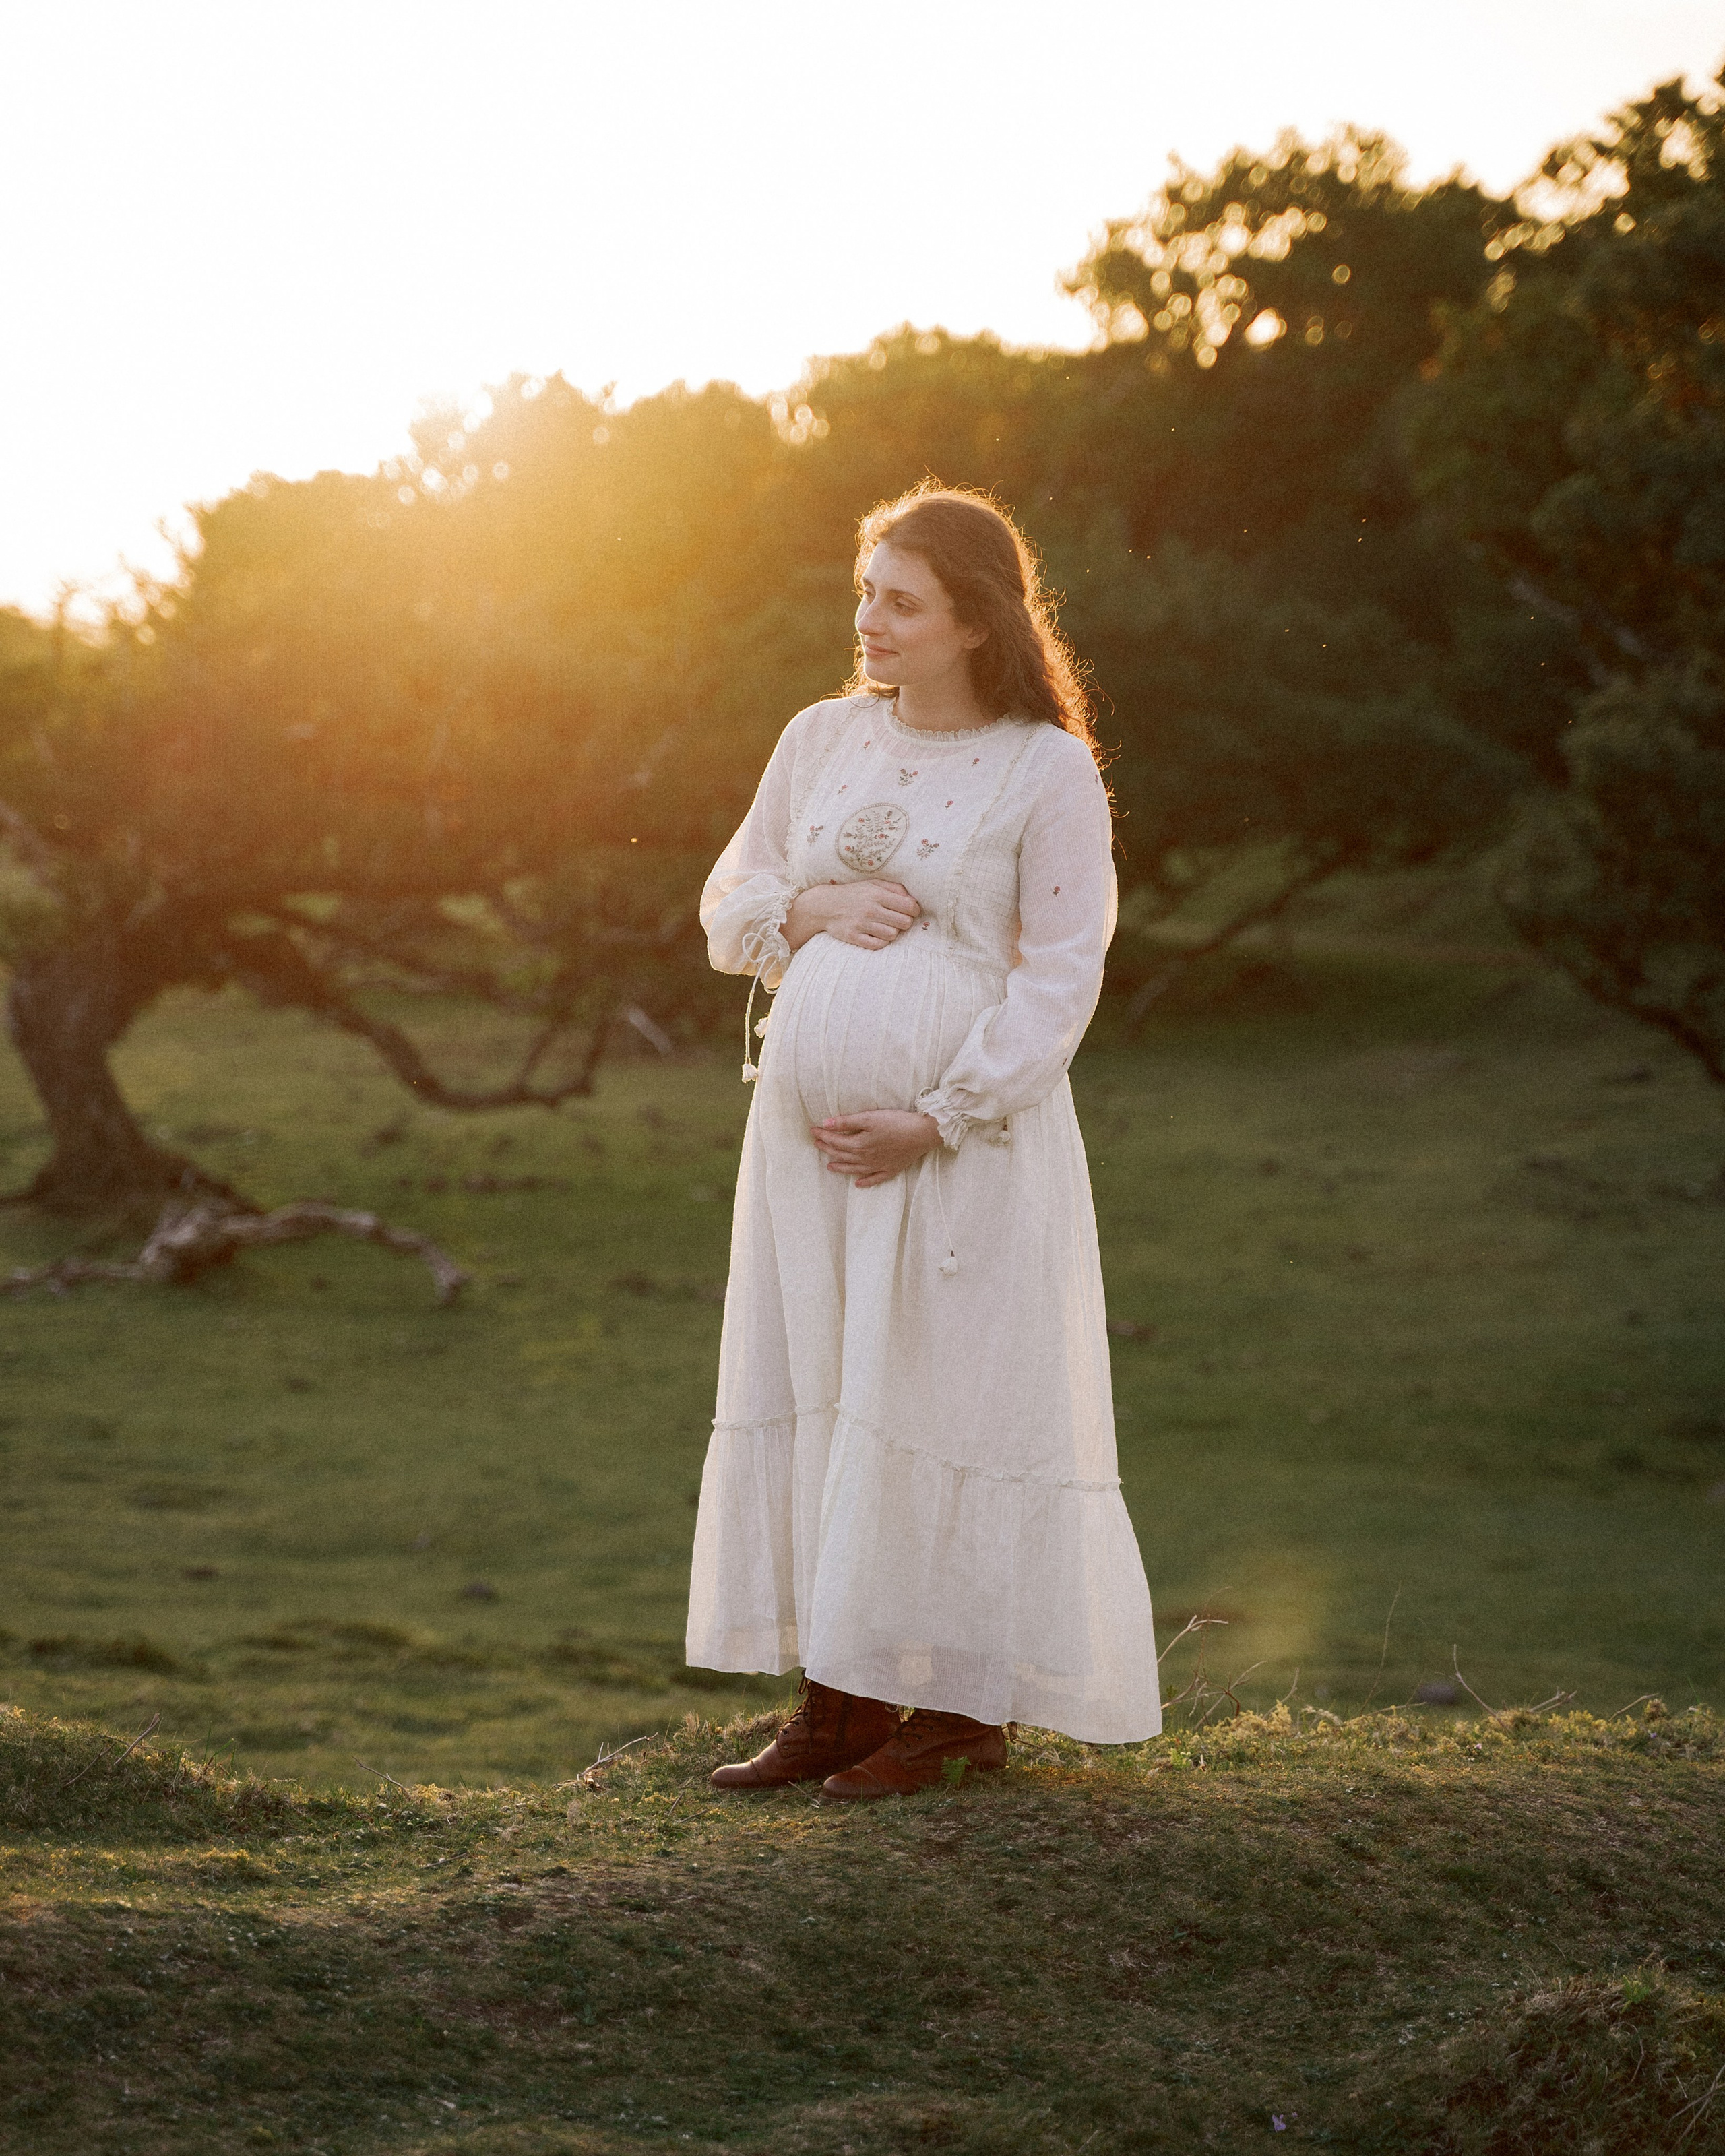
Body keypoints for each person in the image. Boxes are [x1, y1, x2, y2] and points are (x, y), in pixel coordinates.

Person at [687, 484, 1159, 1800]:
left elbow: (1060, 975)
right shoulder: (821, 737)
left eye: (901, 602)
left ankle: (958, 1714)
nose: (869, 622)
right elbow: (728, 905)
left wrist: (936, 1116)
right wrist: (813, 906)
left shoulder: (1044, 768)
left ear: (975, 621)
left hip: (961, 1148)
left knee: (943, 1397)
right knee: (831, 1383)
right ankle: (840, 1702)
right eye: (865, 594)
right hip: (809, 1156)